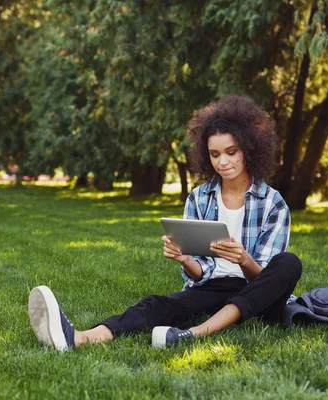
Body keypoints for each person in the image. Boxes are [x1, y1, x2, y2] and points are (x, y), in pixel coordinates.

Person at [27, 94, 302, 351]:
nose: (223, 162)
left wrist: (243, 260)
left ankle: (195, 333)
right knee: (158, 305)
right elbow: (200, 274)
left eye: (232, 152)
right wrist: (184, 259)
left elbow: (265, 279)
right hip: (216, 289)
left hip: (262, 296)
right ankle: (78, 338)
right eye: (215, 154)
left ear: (249, 149)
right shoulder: (199, 198)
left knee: (289, 263)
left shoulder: (272, 203)